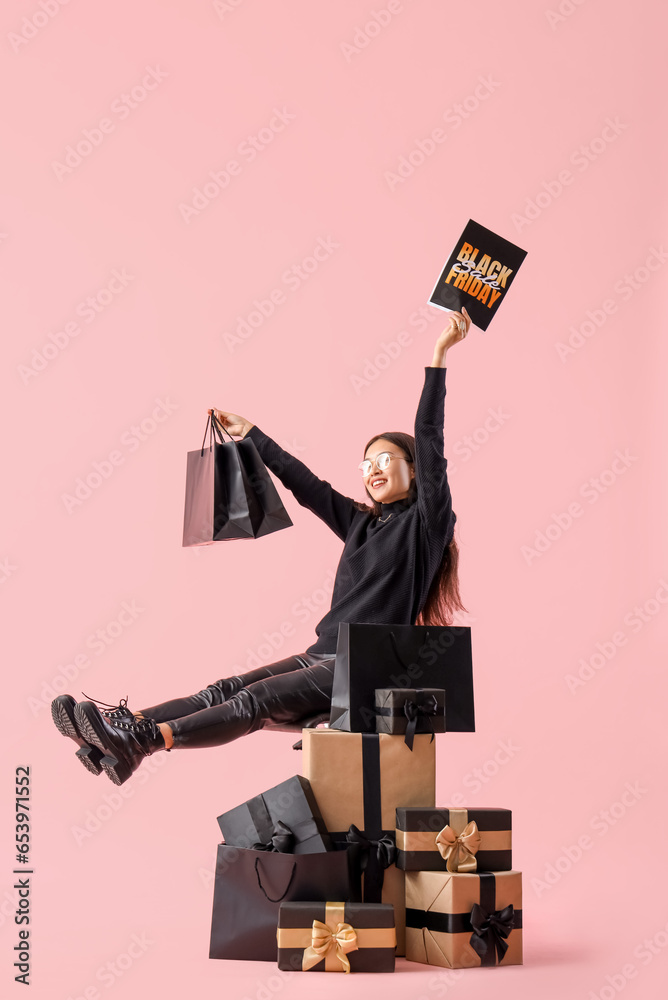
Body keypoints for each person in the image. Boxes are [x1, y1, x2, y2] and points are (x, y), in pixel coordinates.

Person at [51, 308, 471, 785]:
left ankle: (142, 740)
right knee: (225, 689)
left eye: (384, 460)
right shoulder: (359, 523)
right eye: (365, 463)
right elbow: (304, 483)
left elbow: (430, 438)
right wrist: (251, 433)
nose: (372, 470)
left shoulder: (427, 525)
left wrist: (438, 356)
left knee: (253, 703)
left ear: (414, 471)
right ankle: (119, 733)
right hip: (324, 655)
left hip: (365, 674)